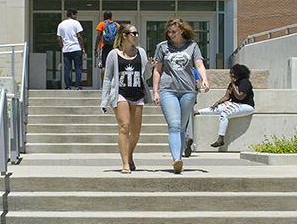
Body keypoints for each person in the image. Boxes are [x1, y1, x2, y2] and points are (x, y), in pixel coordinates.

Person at [152, 18, 209, 174]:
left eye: (174, 32)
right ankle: (177, 159)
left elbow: (199, 64)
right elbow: (157, 70)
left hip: (188, 90)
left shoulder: (192, 46)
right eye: (169, 32)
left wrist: (204, 79)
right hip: (167, 89)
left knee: (182, 127)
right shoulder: (162, 47)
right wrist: (155, 91)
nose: (171, 35)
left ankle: (180, 153)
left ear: (182, 30)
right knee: (175, 125)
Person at [100, 24, 150, 174]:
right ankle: (125, 164)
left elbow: (145, 76)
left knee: (135, 132)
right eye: (133, 33)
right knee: (124, 127)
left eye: (136, 33)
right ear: (124, 35)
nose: (136, 36)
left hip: (137, 94)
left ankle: (129, 154)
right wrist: (104, 100)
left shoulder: (141, 52)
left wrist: (149, 66)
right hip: (120, 93)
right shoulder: (113, 54)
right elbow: (108, 78)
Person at [193, 64, 255, 150]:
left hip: (246, 106)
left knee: (224, 114)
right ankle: (198, 111)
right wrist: (218, 102)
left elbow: (240, 96)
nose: (231, 75)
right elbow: (227, 96)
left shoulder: (245, 82)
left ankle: (220, 139)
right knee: (217, 108)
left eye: (233, 73)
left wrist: (233, 85)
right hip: (234, 103)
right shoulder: (232, 84)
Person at [56, 8, 84, 90]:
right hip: (76, 48)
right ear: (72, 14)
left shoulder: (61, 24)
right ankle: (77, 86)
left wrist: (63, 46)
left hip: (66, 50)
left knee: (67, 69)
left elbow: (58, 39)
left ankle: (68, 86)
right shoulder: (76, 23)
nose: (76, 17)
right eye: (75, 15)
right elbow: (79, 37)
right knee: (78, 68)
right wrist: (82, 48)